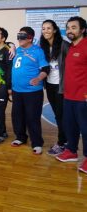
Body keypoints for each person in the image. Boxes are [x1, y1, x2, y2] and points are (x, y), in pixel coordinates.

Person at [11, 27, 49, 155]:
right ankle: (20, 137)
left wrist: (39, 78)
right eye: (18, 35)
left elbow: (45, 68)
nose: (19, 38)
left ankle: (37, 142)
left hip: (32, 92)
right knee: (17, 116)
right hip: (17, 90)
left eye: (23, 36)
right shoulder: (17, 50)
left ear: (30, 38)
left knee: (32, 117)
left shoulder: (37, 51)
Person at [56, 17, 87, 174]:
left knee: (86, 129)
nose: (70, 30)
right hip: (69, 96)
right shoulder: (71, 47)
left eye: (74, 27)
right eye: (68, 28)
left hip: (83, 97)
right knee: (70, 126)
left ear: (82, 30)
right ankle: (72, 151)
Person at [40, 20, 69, 156]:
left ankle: (62, 143)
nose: (46, 31)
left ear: (55, 30)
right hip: (50, 85)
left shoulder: (64, 45)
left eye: (49, 28)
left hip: (62, 86)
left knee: (61, 115)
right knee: (59, 115)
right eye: (43, 28)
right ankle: (66, 140)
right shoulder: (43, 46)